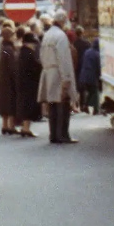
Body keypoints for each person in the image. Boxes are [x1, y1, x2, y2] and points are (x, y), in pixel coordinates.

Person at [39, 12, 79, 144]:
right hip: (58, 73)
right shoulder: (61, 36)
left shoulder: (47, 35)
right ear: (63, 22)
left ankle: (53, 134)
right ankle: (63, 134)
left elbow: (41, 55)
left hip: (48, 72)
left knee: (52, 105)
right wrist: (66, 78)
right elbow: (64, 58)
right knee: (63, 103)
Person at [15, 27, 42, 137]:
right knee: (29, 106)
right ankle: (26, 128)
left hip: (23, 83)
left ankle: (24, 127)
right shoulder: (29, 53)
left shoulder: (21, 52)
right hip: (29, 84)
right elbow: (36, 67)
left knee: (25, 105)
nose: (34, 45)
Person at [0, 27, 19, 134]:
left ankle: (4, 125)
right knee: (11, 102)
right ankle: (11, 125)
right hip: (10, 80)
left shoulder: (3, 48)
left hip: (3, 79)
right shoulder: (10, 49)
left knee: (4, 102)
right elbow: (12, 67)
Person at [78, 39, 101, 115]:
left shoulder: (87, 51)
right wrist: (99, 76)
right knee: (95, 91)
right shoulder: (97, 54)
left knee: (91, 92)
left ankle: (86, 106)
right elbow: (98, 67)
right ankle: (96, 109)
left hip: (83, 74)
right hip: (91, 76)